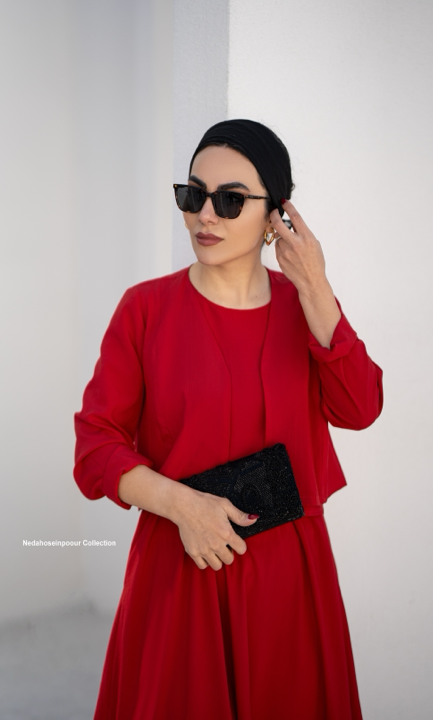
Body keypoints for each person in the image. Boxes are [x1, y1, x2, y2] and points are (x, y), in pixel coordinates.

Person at [73, 119, 384, 720]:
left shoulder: (305, 304)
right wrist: (182, 505)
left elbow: (360, 408)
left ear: (275, 215)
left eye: (231, 199)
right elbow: (95, 446)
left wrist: (316, 285)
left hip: (289, 576)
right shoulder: (145, 309)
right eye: (193, 195)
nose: (205, 215)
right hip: (182, 565)